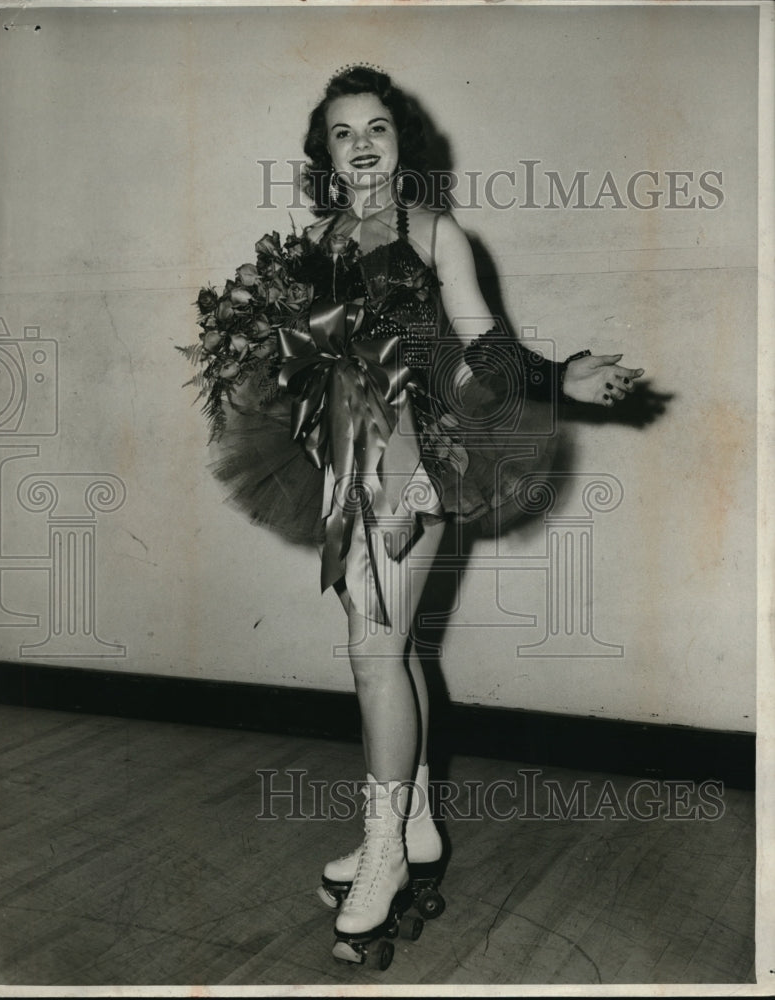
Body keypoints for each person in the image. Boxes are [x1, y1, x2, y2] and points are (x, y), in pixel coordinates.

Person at [205, 65, 644, 963]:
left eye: (376, 128)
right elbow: (304, 365)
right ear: (323, 154)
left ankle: (382, 853)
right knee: (388, 654)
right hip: (338, 468)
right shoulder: (312, 246)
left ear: (401, 143)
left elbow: (483, 347)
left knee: (373, 655)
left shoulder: (437, 233)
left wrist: (561, 381)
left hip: (417, 462)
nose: (361, 144)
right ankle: (414, 831)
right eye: (341, 132)